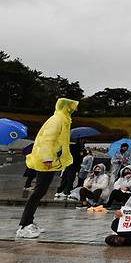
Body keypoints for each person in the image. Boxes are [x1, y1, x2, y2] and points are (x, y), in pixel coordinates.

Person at [17, 98, 79, 239]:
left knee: (40, 191)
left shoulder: (62, 119)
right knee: (38, 192)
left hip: (51, 160)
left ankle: (28, 222)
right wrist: (47, 158)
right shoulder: (56, 120)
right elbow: (47, 140)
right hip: (46, 161)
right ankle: (24, 226)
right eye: (73, 106)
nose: (74, 109)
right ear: (66, 107)